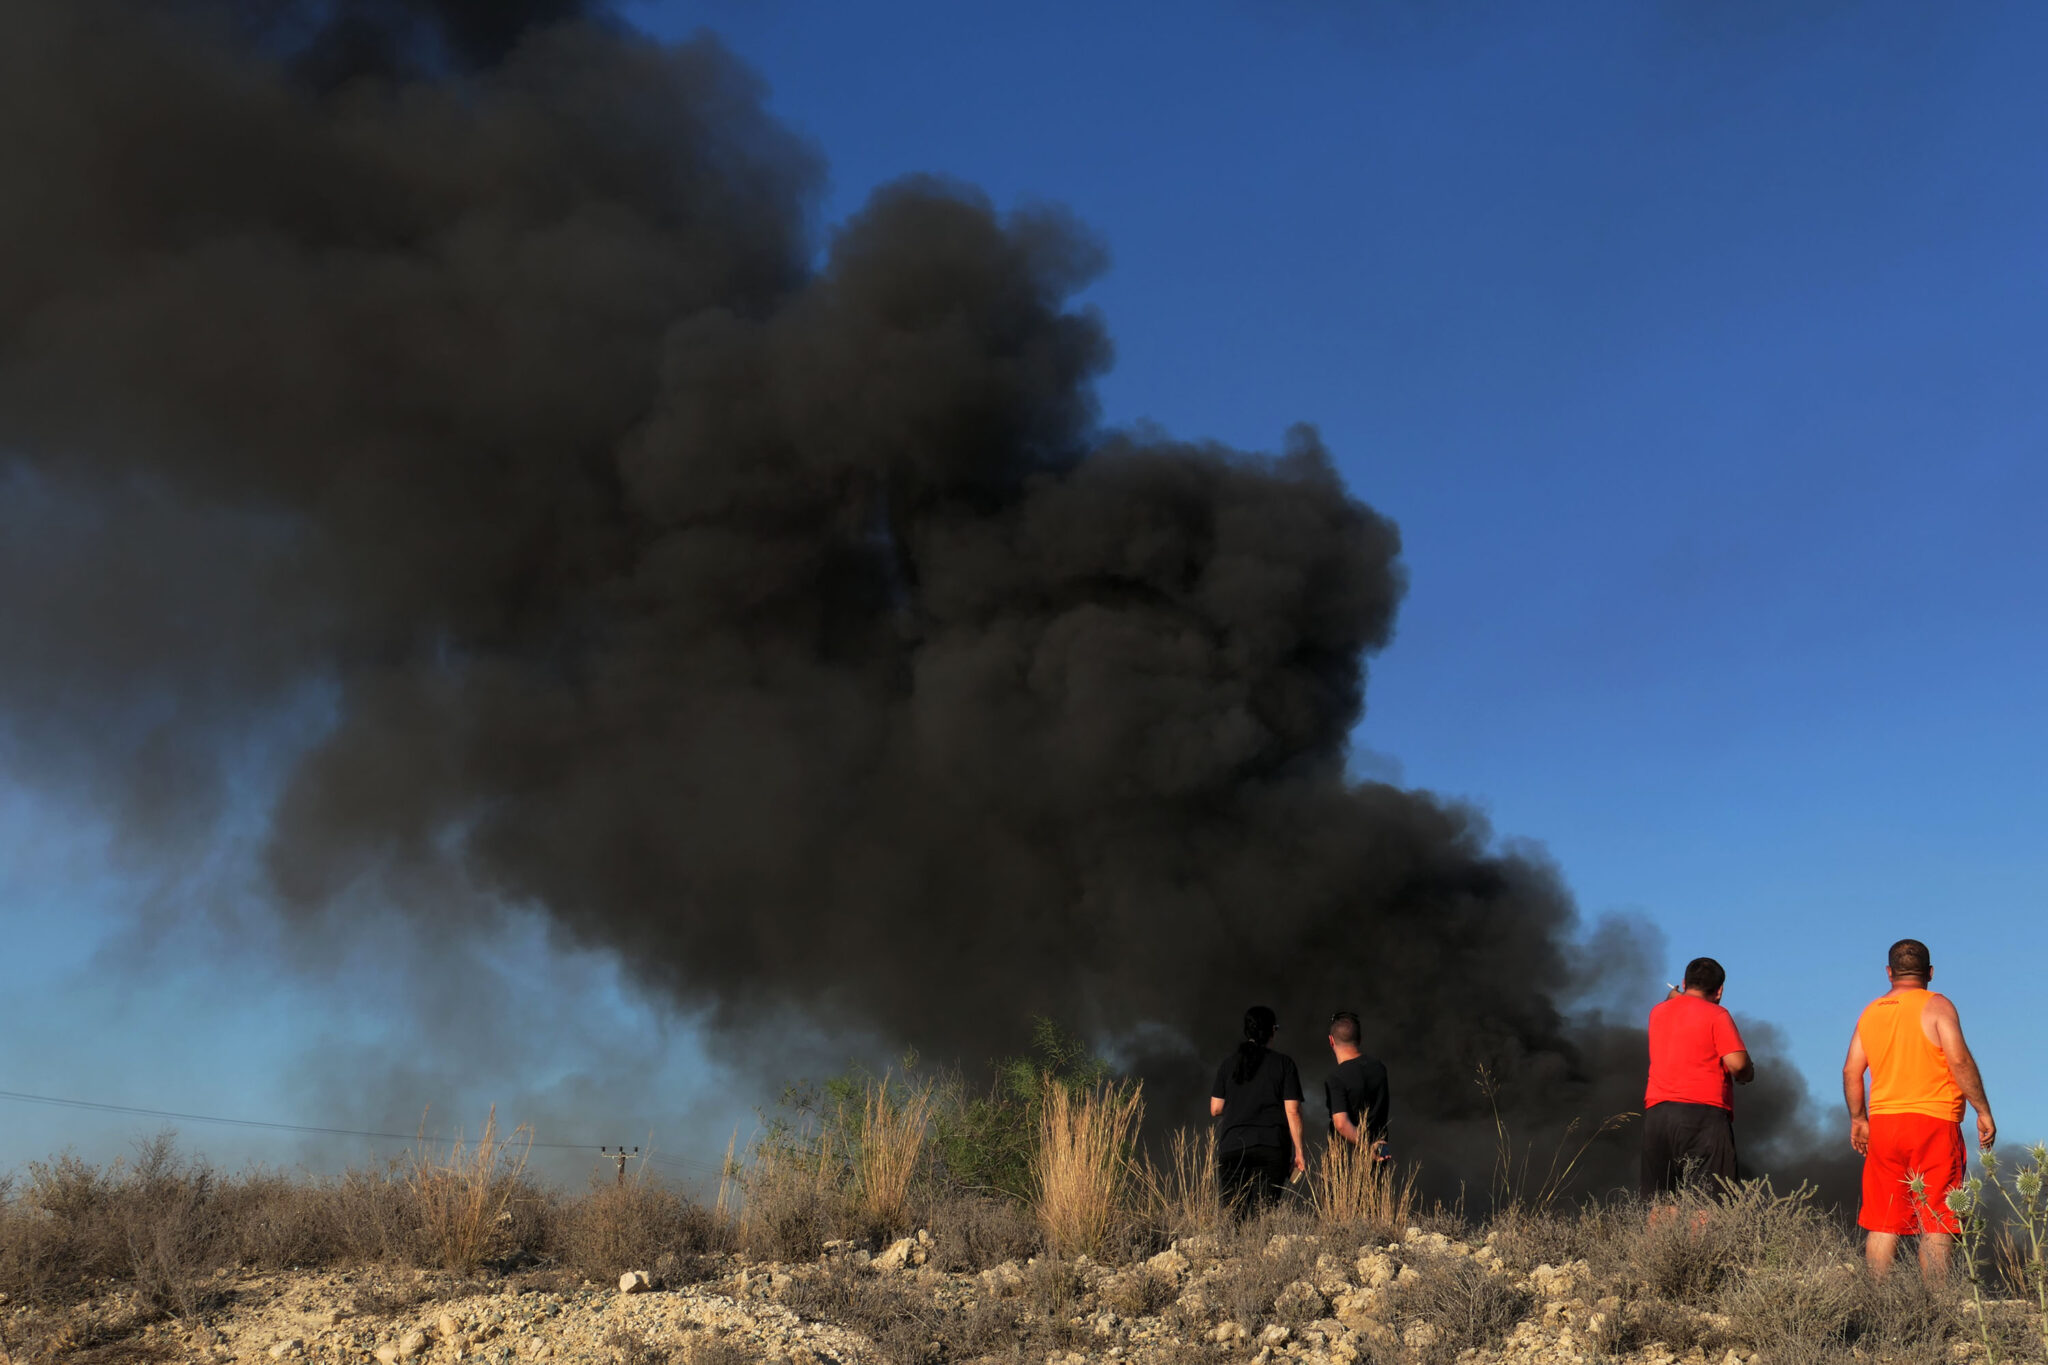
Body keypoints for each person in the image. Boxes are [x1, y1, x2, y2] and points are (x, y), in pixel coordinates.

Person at [1843, 938, 1995, 1279]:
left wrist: (1858, 1119)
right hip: (1934, 1122)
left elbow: (1851, 1071)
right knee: (1938, 1217)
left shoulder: (1871, 1012)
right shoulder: (1938, 1005)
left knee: (1883, 1220)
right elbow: (1959, 1060)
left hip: (1884, 1124)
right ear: (1930, 972)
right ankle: (1937, 1303)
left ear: (1889, 972)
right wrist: (1982, 1110)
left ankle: (1875, 1300)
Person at [1641, 956, 1754, 1202]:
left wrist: (1675, 997)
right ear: (1719, 990)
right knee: (1708, 1204)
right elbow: (1737, 1064)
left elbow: (1676, 1007)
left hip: (1658, 1116)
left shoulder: (1657, 1012)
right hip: (1702, 1116)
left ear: (1684, 982)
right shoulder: (1717, 1014)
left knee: (1661, 1203)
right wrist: (1748, 1073)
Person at [1210, 1005, 1305, 1213]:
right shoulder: (1284, 1064)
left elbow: (1215, 1108)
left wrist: (1241, 1103)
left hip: (1233, 1146)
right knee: (1264, 1214)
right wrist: (1299, 1152)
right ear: (1272, 1031)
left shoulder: (1228, 1064)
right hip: (1271, 1147)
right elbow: (1292, 1111)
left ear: (1247, 1031)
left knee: (1233, 1216)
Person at [1324, 1011, 1390, 1160]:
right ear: (1359, 1039)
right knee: (1380, 1177)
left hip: (1346, 1158)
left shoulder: (1336, 1078)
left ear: (1331, 1040)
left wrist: (1367, 1147)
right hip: (1381, 1149)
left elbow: (1341, 1124)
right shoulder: (1380, 1068)